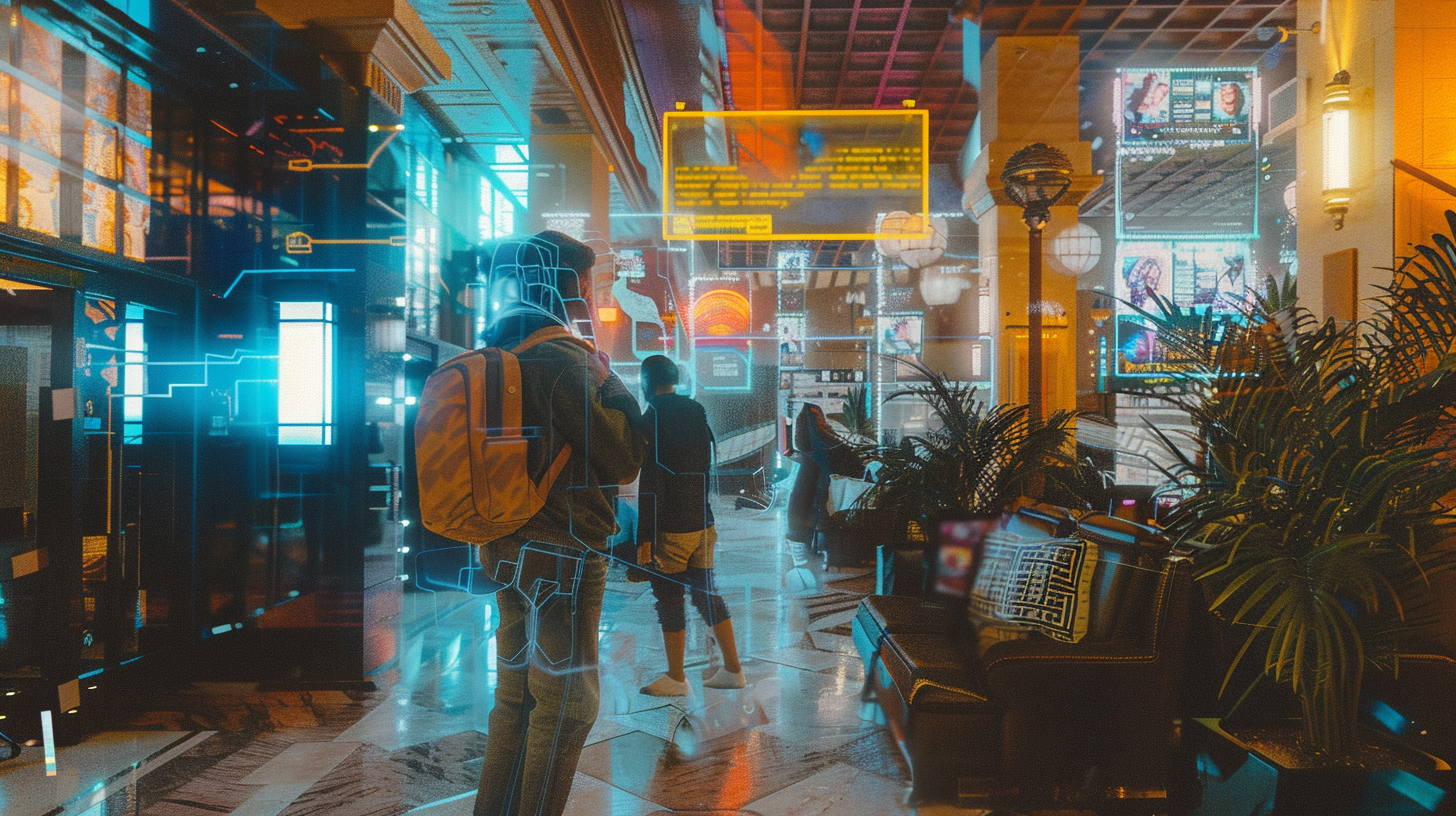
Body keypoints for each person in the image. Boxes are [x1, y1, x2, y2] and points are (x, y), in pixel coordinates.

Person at [472, 230, 643, 816]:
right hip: (561, 552)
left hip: (505, 547)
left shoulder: (498, 353)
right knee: (568, 703)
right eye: (587, 284)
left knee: (517, 698)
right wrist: (608, 374)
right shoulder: (563, 359)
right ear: (569, 285)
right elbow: (625, 454)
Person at [634, 355, 746, 696]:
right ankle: (732, 669)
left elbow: (652, 482)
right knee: (705, 592)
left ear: (646, 383)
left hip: (672, 526)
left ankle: (676, 677)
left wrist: (645, 539)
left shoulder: (653, 415)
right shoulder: (696, 410)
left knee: (669, 597)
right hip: (703, 521)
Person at [784, 403, 862, 578]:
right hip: (826, 500)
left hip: (804, 525)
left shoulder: (811, 456)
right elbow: (849, 460)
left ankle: (801, 547)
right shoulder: (823, 447)